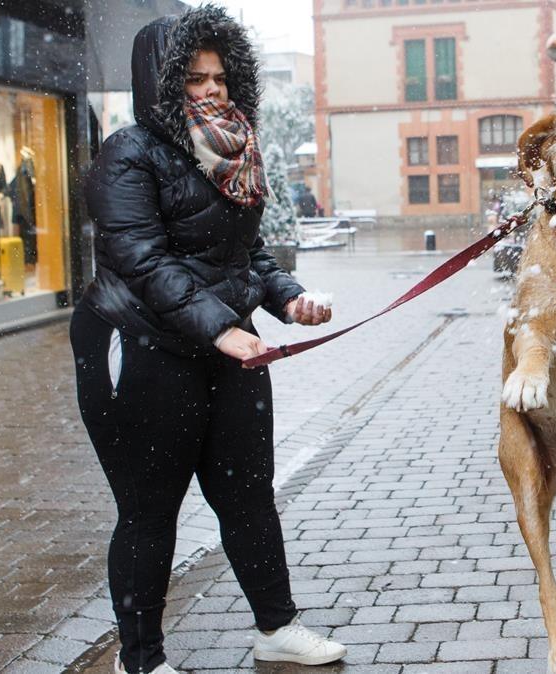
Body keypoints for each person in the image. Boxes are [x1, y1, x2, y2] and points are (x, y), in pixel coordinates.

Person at [69, 6, 347, 673]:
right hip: (139, 349)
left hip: (224, 348)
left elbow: (239, 256)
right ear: (163, 82)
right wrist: (221, 327)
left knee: (248, 492)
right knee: (148, 510)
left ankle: (276, 627)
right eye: (195, 77)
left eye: (221, 75)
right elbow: (141, 258)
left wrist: (288, 298)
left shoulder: (230, 149)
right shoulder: (126, 153)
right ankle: (139, 659)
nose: (213, 89)